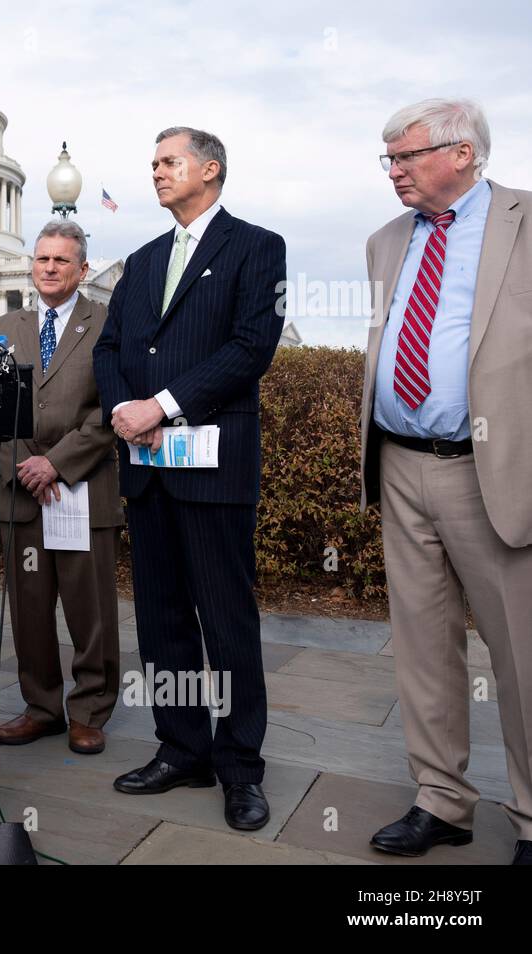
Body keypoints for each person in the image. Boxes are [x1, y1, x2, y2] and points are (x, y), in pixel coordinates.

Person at [92, 127, 286, 831]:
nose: (155, 173)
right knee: (164, 623)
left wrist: (162, 406)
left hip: (213, 470)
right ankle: (181, 748)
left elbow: (250, 347)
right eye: (151, 164)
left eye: (168, 162)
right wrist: (122, 408)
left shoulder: (257, 248)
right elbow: (111, 347)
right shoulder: (141, 261)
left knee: (226, 624)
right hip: (147, 472)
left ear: (211, 169)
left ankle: (239, 767)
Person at [359, 98, 532, 865]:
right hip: (400, 465)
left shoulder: (526, 223)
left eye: (407, 157)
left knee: (521, 655)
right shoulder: (386, 240)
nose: (393, 172)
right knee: (424, 650)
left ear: (463, 154)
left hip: (493, 472)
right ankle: (441, 801)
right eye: (388, 159)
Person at [0, 220, 122, 756]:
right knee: (29, 608)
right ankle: (41, 707)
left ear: (82, 270)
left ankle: (89, 710)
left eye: (61, 261)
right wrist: (28, 464)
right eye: (42, 258)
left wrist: (58, 463)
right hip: (21, 491)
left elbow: (112, 409)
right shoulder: (2, 328)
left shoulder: (108, 326)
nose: (49, 268)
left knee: (90, 609)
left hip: (83, 490)